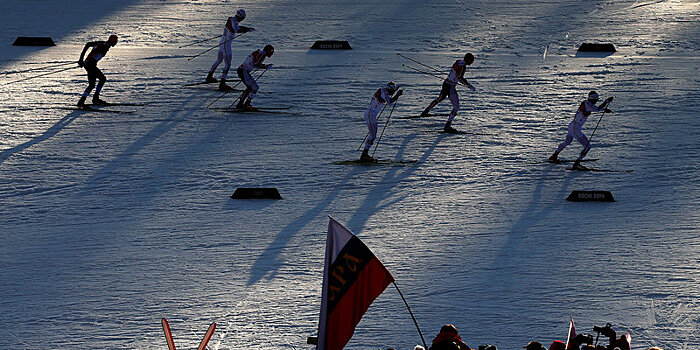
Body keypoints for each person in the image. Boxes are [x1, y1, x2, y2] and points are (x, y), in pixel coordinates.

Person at [548, 91, 613, 170]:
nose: (596, 101)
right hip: (575, 129)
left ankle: (554, 155)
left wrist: (604, 109)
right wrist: (606, 101)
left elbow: (594, 108)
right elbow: (597, 108)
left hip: (572, 126)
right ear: (592, 99)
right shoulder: (588, 104)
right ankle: (577, 164)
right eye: (596, 100)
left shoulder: (586, 103)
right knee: (587, 146)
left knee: (567, 142)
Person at [419, 53, 476, 133]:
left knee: (440, 98)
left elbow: (455, 73)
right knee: (456, 107)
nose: (472, 62)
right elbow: (460, 78)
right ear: (468, 59)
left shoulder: (458, 62)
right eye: (472, 60)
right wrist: (469, 85)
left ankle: (425, 111)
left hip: (446, 83)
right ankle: (447, 126)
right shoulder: (463, 66)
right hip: (451, 87)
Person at [206, 9, 255, 91]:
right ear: (241, 17)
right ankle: (222, 84)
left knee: (219, 60)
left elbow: (235, 27)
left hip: (222, 42)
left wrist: (246, 28)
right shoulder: (234, 22)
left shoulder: (230, 19)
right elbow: (237, 30)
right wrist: (246, 30)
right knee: (227, 65)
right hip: (226, 45)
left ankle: (209, 77)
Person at [360, 81, 403, 162]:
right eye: (392, 92)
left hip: (371, 115)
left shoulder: (383, 90)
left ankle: (365, 154)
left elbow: (388, 95)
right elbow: (390, 102)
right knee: (373, 136)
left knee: (373, 136)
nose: (391, 93)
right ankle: (364, 155)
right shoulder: (384, 93)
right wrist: (397, 95)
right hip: (370, 115)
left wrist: (396, 90)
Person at [77, 34, 118, 106]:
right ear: (113, 41)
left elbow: (88, 44)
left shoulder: (103, 43)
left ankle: (84, 100)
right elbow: (91, 49)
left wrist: (82, 59)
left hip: (89, 64)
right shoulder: (105, 46)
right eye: (116, 41)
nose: (116, 43)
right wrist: (82, 60)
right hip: (90, 65)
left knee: (92, 84)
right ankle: (93, 99)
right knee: (102, 79)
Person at [235, 44, 274, 110]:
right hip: (244, 71)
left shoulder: (260, 53)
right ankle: (247, 104)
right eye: (271, 52)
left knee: (250, 87)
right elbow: (256, 64)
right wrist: (266, 67)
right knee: (255, 87)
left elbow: (255, 63)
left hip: (242, 71)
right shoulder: (262, 55)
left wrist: (264, 66)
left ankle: (240, 103)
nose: (271, 54)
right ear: (267, 51)